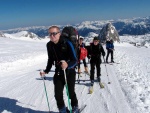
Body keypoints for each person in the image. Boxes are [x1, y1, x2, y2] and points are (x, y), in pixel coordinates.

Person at [40, 26, 79, 113]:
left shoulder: (67, 43)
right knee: (58, 95)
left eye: (54, 33)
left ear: (59, 34)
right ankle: (62, 109)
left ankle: (75, 107)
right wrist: (46, 71)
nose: (52, 36)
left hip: (70, 71)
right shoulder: (49, 45)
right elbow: (50, 59)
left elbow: (75, 60)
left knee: (70, 92)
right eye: (50, 34)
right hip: (58, 72)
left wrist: (67, 64)